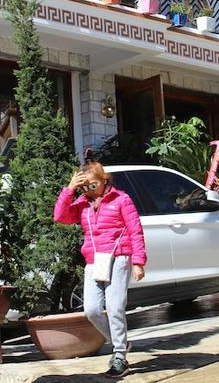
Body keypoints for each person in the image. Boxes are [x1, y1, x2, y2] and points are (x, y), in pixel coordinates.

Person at [53, 160, 147, 379]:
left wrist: (139, 262)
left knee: (115, 307)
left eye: (92, 184)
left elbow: (136, 230)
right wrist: (69, 190)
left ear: (104, 180)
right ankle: (120, 343)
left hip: (119, 258)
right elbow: (60, 217)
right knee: (92, 310)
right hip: (95, 261)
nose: (89, 190)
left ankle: (119, 355)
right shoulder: (82, 204)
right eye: (84, 187)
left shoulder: (121, 199)